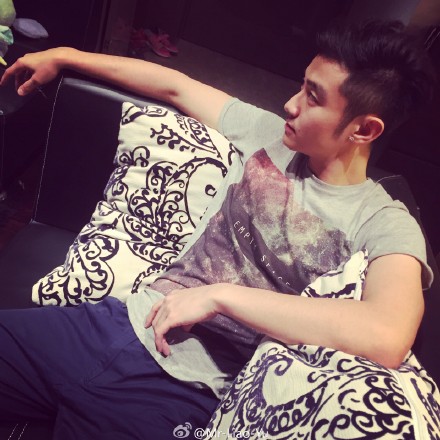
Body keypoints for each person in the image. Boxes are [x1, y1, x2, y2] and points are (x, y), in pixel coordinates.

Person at [0, 20, 437, 439]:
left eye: (313, 97)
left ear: (364, 129)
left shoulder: (383, 221)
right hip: (114, 323)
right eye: (302, 85)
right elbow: (174, 86)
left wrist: (220, 297)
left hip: (188, 391)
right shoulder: (272, 135)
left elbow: (387, 333)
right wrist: (64, 55)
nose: (291, 104)